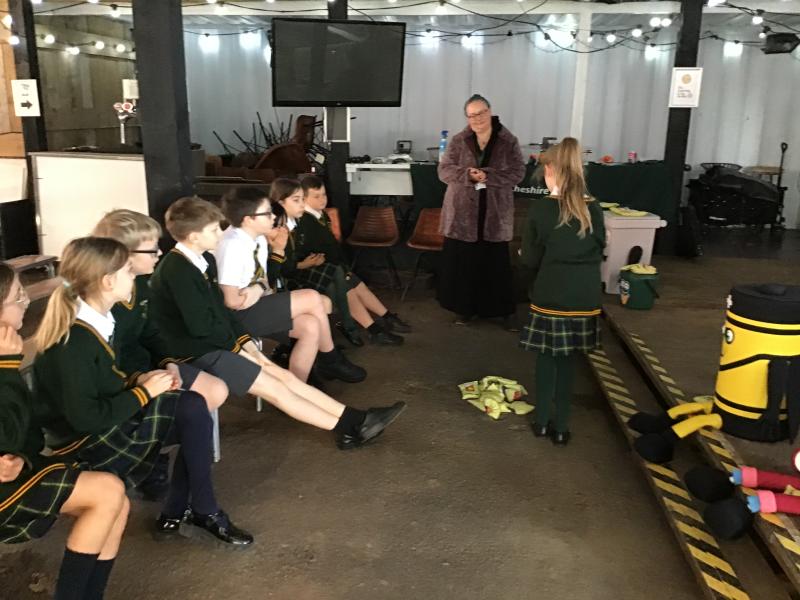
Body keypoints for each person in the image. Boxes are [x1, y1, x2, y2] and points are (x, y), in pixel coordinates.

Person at [33, 237, 253, 547]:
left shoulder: (101, 318)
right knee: (193, 416)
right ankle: (198, 510)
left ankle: (189, 510)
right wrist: (144, 392)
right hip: (84, 442)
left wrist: (142, 378)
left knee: (193, 407)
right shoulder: (74, 340)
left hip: (103, 418)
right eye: (128, 270)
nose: (134, 276)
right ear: (108, 281)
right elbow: (86, 418)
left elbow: (105, 378)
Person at [148, 196, 406, 450]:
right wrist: (240, 350)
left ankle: (356, 419)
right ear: (194, 236)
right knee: (275, 386)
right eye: (214, 229)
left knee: (283, 377)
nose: (220, 233)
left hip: (211, 344)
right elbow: (202, 326)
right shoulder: (178, 270)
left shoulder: (201, 261)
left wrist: (248, 346)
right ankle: (350, 427)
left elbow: (220, 313)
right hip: (194, 352)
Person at [0, 264, 130, 600]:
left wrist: (20, 457)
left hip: (16, 469)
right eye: (17, 296)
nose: (26, 301)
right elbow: (12, 433)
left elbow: (26, 437)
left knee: (117, 501)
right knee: (107, 492)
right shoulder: (7, 360)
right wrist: (7, 369)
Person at [92, 209, 231, 501]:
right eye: (152, 249)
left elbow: (151, 333)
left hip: (148, 367)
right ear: (123, 256)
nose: (160, 253)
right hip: (123, 380)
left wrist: (168, 362)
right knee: (193, 410)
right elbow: (106, 361)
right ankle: (152, 455)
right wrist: (141, 378)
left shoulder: (142, 284)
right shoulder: (102, 301)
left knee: (215, 391)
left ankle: (159, 454)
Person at [216, 188, 365, 385]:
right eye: (267, 213)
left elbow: (266, 281)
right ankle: (330, 359)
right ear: (248, 219)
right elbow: (232, 301)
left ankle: (297, 387)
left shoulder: (257, 237)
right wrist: (259, 287)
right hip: (236, 317)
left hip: (257, 305)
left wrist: (276, 253)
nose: (273, 217)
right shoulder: (232, 245)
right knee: (312, 297)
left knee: (310, 326)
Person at [518, 138, 606, 446]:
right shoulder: (594, 209)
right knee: (568, 361)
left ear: (550, 170)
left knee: (546, 358)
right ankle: (562, 426)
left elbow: (529, 259)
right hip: (584, 296)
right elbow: (599, 248)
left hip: (551, 293)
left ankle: (542, 421)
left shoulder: (542, 209)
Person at [277, 176, 409, 347]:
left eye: (324, 195)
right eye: (315, 197)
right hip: (309, 269)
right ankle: (370, 328)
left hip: (319, 265)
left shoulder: (318, 216)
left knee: (351, 280)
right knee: (344, 281)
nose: (322, 199)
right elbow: (316, 253)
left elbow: (331, 248)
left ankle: (383, 319)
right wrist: (338, 267)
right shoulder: (304, 220)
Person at [437, 94, 525, 327]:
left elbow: (518, 172)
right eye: (471, 115)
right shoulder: (458, 140)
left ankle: (502, 311)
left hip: (494, 212)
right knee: (464, 263)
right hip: (463, 213)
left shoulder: (508, 141)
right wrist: (467, 175)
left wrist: (489, 176)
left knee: (495, 265)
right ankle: (464, 309)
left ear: (490, 111)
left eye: (481, 113)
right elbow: (444, 171)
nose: (477, 118)